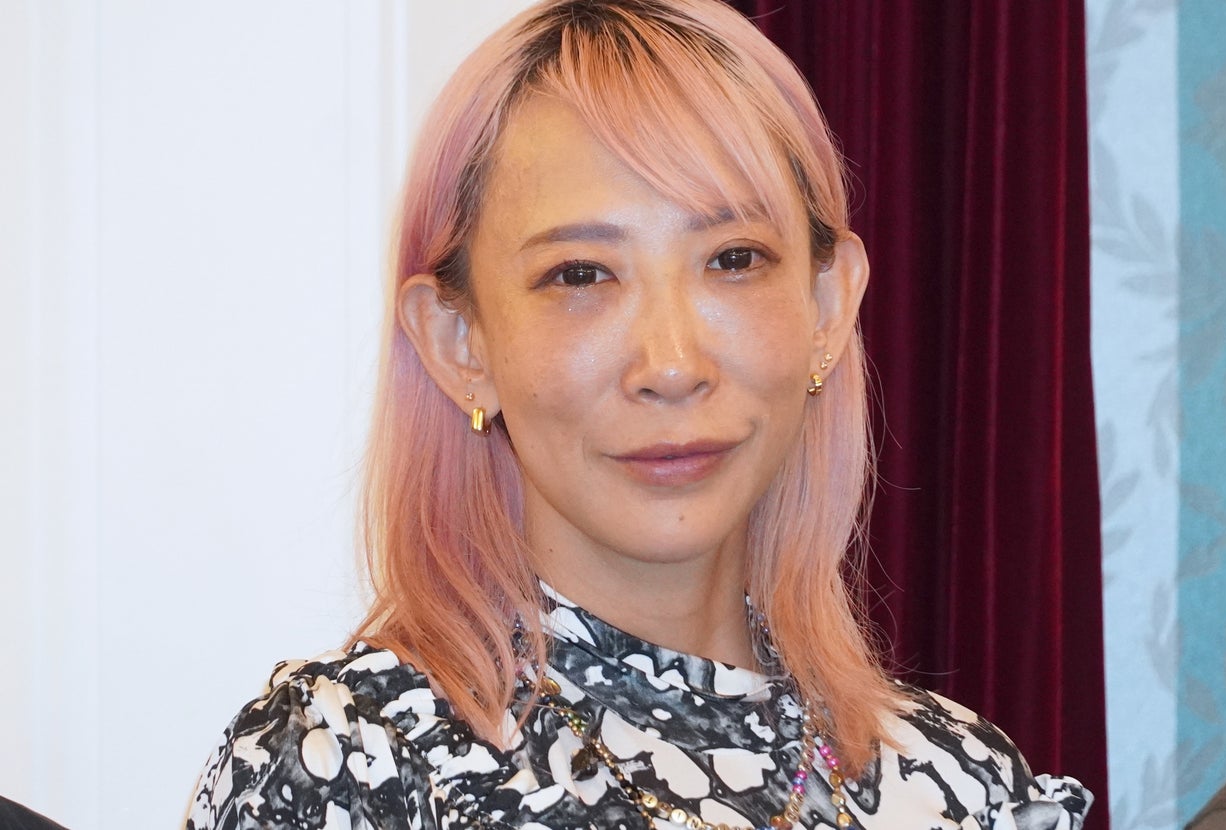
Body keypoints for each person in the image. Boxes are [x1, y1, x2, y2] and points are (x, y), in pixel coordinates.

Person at [185, 1, 1094, 828]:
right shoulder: (352, 766)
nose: (671, 366)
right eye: (581, 275)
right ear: (460, 343)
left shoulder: (961, 786)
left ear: (827, 306)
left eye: (733, 259)